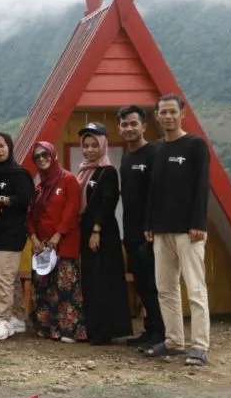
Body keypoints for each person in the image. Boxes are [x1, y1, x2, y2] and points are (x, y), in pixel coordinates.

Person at [144, 94, 211, 367]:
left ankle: (199, 345)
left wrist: (198, 223)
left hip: (189, 231)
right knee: (166, 288)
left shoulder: (195, 145)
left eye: (173, 111)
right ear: (157, 116)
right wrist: (149, 224)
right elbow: (153, 190)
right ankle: (173, 340)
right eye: (164, 112)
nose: (168, 116)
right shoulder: (157, 149)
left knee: (195, 288)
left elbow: (202, 186)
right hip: (161, 230)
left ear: (183, 114)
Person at [76, 122, 132, 345]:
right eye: (86, 145)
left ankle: (106, 330)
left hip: (102, 232)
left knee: (104, 279)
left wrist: (96, 230)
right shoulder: (84, 170)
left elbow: (109, 201)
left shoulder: (107, 171)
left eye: (94, 145)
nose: (89, 150)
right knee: (90, 279)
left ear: (102, 145)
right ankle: (92, 327)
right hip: (86, 230)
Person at [27, 141, 86, 343]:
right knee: (43, 287)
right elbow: (30, 215)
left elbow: (72, 209)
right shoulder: (39, 187)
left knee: (65, 287)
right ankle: (46, 328)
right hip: (42, 246)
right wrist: (34, 237)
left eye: (45, 155)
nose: (42, 159)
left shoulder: (68, 179)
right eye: (37, 157)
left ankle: (69, 330)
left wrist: (58, 235)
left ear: (54, 156)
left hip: (65, 242)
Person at [117, 105, 165, 349]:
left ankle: (163, 334)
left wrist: (153, 226)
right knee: (142, 284)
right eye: (124, 124)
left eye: (134, 123)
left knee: (156, 284)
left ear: (144, 126)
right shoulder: (126, 156)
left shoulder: (155, 153)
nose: (129, 128)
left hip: (151, 232)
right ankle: (150, 330)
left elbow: (160, 194)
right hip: (131, 232)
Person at [0, 132, 34, 341]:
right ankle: (18, 318)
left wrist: (3, 199)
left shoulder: (19, 173)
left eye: (2, 146)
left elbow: (26, 198)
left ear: (9, 147)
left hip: (12, 234)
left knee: (2, 276)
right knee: (8, 278)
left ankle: (3, 319)